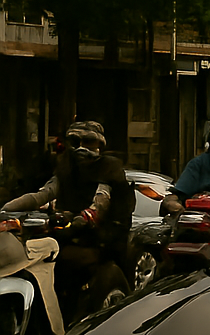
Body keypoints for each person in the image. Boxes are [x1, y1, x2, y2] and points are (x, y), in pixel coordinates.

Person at [3, 120, 134, 320]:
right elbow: (42, 195)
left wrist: (83, 218)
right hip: (64, 235)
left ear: (99, 144)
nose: (81, 147)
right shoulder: (65, 168)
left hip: (101, 240)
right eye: (75, 141)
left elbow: (100, 202)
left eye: (88, 141)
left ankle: (69, 318)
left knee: (69, 263)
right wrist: (6, 209)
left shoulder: (108, 168)